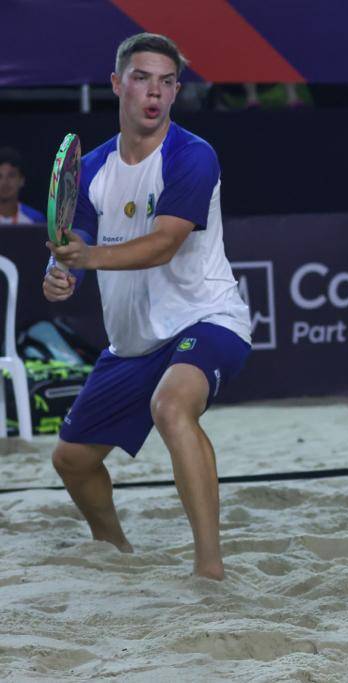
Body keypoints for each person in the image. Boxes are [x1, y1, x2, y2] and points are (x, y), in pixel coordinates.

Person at [42, 33, 252, 581]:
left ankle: (210, 569)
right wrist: (62, 271)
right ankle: (115, 553)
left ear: (176, 91)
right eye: (141, 78)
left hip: (206, 318)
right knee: (72, 461)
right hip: (134, 342)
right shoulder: (90, 168)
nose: (153, 93)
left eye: (165, 81)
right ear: (117, 85)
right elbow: (77, 245)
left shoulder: (192, 155)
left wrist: (88, 255)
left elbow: (163, 244)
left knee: (171, 406)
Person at [0, 147, 45, 225]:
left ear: (21, 180)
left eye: (11, 175)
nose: (4, 182)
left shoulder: (35, 219)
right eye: (0, 176)